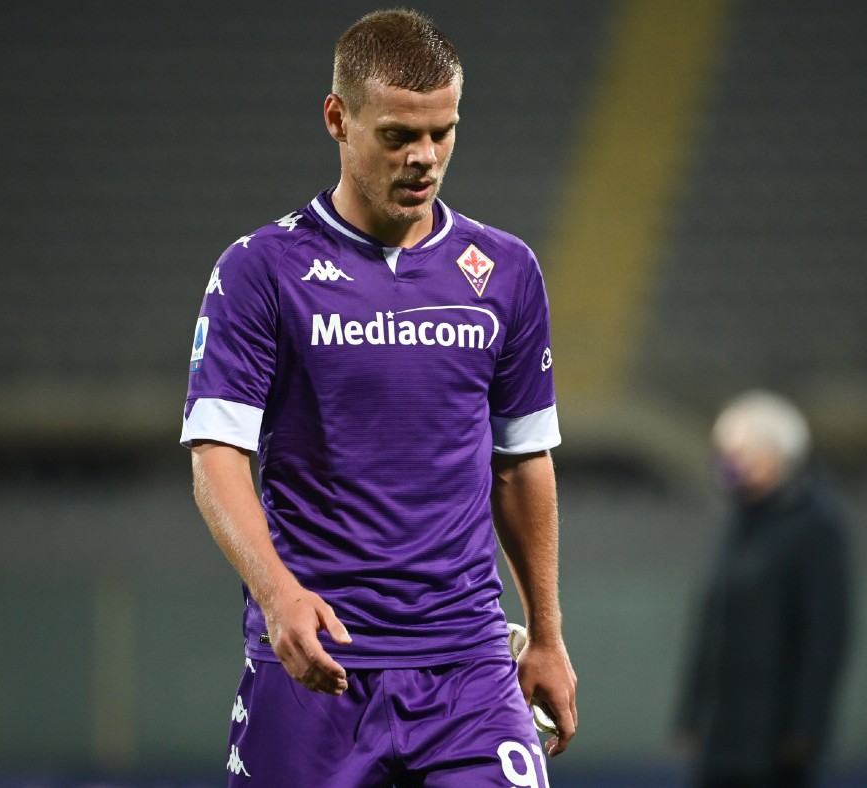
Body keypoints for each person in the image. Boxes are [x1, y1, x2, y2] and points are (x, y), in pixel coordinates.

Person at [179, 9, 577, 786]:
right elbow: (216, 458)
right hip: (317, 665)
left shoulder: (506, 272)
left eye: (442, 132)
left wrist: (548, 635)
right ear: (338, 118)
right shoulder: (261, 270)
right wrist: (278, 597)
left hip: (469, 670)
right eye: (397, 135)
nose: (424, 157)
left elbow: (522, 463)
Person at [677, 391, 852, 788]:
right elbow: (711, 626)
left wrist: (806, 730)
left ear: (776, 455)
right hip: (720, 737)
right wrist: (691, 716)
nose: (727, 464)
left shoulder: (817, 525)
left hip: (775, 742)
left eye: (738, 453)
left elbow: (825, 634)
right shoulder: (737, 521)